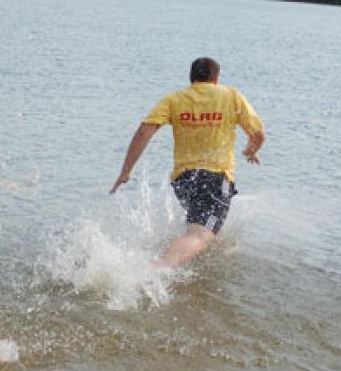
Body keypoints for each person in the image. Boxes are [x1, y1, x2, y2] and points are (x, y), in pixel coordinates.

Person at [110, 57, 265, 268]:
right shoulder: (230, 96)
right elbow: (258, 134)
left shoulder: (175, 99)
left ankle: (185, 267)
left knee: (202, 232)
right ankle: (150, 271)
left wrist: (125, 171)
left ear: (191, 78)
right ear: (216, 79)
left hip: (183, 180)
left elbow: (144, 131)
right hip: (215, 177)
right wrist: (251, 150)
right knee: (200, 236)